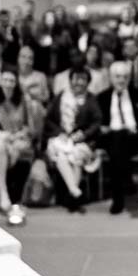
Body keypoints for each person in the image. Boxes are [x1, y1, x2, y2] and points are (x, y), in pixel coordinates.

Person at [97, 60, 138, 215]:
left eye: (124, 77)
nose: (121, 80)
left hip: (134, 138)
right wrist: (104, 128)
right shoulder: (102, 97)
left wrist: (135, 129)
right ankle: (125, 182)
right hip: (111, 138)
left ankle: (118, 198)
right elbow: (98, 122)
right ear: (111, 78)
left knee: (120, 141)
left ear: (129, 78)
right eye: (117, 76)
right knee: (117, 138)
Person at [44, 66, 102, 212]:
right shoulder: (61, 97)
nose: (79, 82)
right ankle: (74, 191)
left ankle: (72, 195)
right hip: (61, 138)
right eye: (76, 78)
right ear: (70, 80)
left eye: (83, 79)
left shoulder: (91, 99)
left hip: (82, 140)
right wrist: (60, 132)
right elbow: (49, 120)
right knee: (61, 154)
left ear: (88, 82)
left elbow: (97, 122)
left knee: (76, 155)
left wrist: (83, 134)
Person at [0, 65, 33, 215]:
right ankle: (5, 196)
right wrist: (2, 136)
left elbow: (30, 127)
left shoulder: (24, 99)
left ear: (16, 82)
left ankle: (1, 196)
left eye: (11, 80)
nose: (8, 83)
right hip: (1, 139)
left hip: (20, 139)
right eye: (5, 80)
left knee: (3, 148)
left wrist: (14, 136)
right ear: (0, 81)